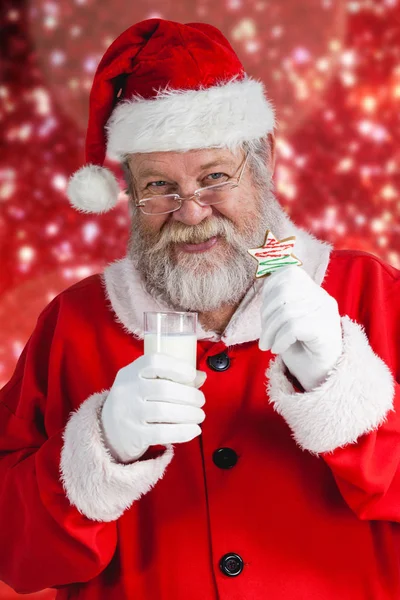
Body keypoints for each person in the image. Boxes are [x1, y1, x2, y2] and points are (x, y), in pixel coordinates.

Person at [0, 18, 399, 600]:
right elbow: (15, 552)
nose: (190, 212)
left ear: (260, 164)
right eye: (159, 186)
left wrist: (345, 394)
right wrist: (97, 453)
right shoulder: (72, 323)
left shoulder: (369, 291)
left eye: (214, 177)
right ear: (130, 192)